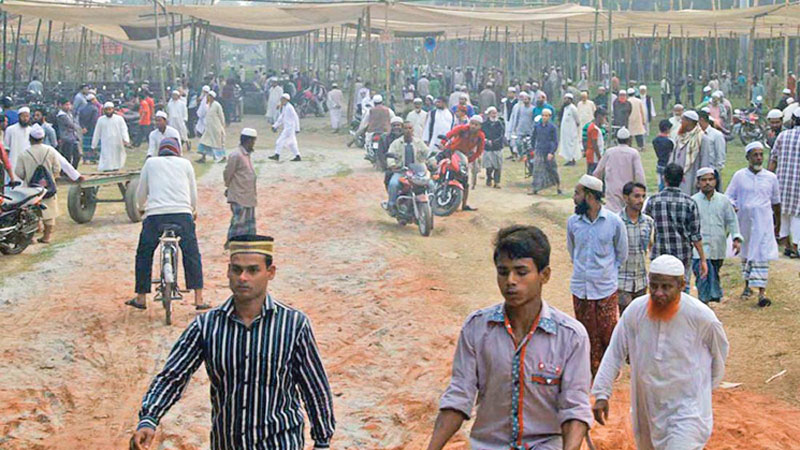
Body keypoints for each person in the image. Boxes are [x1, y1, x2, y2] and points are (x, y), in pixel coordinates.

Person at [130, 235, 335, 450]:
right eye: (237, 270)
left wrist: (322, 441)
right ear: (228, 271)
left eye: (253, 270)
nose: (243, 277)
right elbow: (172, 376)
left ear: (270, 272)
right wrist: (149, 418)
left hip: (280, 443)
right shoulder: (206, 326)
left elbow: (315, 388)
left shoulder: (293, 325)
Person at [427, 225, 592, 450]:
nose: (510, 281)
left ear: (545, 275)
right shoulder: (476, 328)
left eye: (521, 272)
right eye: (503, 272)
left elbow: (575, 409)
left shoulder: (571, 336)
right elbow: (459, 395)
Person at [591, 255, 729, 450]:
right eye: (653, 286)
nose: (658, 293)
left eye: (666, 287)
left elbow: (719, 352)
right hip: (648, 408)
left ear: (681, 285)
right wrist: (601, 393)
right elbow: (615, 351)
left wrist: (705, 388)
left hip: (688, 411)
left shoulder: (701, 317)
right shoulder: (636, 311)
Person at [126, 136, 205, 310]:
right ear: (177, 151)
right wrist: (193, 209)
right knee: (192, 253)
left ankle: (141, 297)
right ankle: (199, 299)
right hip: (182, 215)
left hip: (155, 216)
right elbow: (193, 193)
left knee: (144, 253)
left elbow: (141, 191)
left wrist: (141, 208)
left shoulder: (151, 163)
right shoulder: (186, 164)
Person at [567, 174, 628, 375]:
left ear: (590, 196)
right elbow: (573, 251)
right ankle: (591, 371)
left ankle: (610, 370)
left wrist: (606, 272)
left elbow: (621, 253)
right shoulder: (573, 222)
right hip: (580, 287)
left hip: (605, 287)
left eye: (578, 193)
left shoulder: (614, 222)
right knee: (585, 331)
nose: (574, 198)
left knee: (608, 330)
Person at [725, 141, 781, 307]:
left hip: (764, 223)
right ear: (747, 157)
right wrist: (733, 206)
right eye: (754, 155)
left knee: (762, 255)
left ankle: (762, 294)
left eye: (760, 155)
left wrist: (778, 224)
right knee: (747, 254)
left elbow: (776, 202)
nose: (758, 158)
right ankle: (747, 286)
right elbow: (729, 196)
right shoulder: (739, 176)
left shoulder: (771, 178)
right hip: (744, 223)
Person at [645, 163, 709, 290]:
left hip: (660, 255)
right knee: (681, 290)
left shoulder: (653, 201)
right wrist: (703, 259)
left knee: (660, 289)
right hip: (683, 255)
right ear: (682, 179)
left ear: (665, 178)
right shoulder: (689, 203)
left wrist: (650, 246)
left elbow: (647, 229)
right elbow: (695, 235)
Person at [692, 168, 742, 303]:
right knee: (702, 277)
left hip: (718, 248)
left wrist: (736, 238)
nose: (707, 183)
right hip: (698, 251)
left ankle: (708, 302)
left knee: (714, 275)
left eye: (710, 179)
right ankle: (704, 304)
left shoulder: (723, 200)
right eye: (704, 180)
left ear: (715, 181)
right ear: (698, 183)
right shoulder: (692, 202)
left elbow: (732, 220)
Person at [14, 124, 60, 243]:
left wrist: (28, 178)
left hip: (30, 188)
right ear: (43, 138)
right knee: (49, 211)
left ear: (30, 138)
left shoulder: (24, 154)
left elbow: (18, 172)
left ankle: (32, 238)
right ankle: (47, 236)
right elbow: (57, 168)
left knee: (31, 212)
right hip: (48, 188)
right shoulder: (50, 151)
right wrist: (51, 179)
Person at [617, 182, 654, 314]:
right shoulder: (616, 221)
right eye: (636, 196)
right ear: (626, 198)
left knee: (641, 318)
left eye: (643, 196)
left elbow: (649, 246)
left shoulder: (648, 222)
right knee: (626, 318)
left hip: (641, 280)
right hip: (622, 280)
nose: (641, 200)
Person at [592, 127, 646, 213]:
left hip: (612, 189)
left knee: (612, 213)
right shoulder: (633, 153)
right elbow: (639, 174)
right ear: (629, 140)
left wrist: (596, 190)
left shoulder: (609, 152)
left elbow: (597, 172)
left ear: (617, 140)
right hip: (629, 190)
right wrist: (642, 189)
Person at [770, 108, 800, 259]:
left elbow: (773, 159)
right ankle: (795, 247)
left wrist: (768, 178)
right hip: (798, 185)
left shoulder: (782, 136)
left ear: (793, 121)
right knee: (797, 215)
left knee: (784, 213)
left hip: (782, 182)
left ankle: (787, 245)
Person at [384, 121, 431, 215]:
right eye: (406, 128)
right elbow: (390, 156)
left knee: (432, 185)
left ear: (413, 130)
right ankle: (392, 205)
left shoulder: (418, 142)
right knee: (393, 184)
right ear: (402, 130)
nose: (408, 130)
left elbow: (427, 153)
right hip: (401, 171)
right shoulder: (396, 143)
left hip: (417, 172)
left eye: (410, 128)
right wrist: (392, 165)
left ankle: (432, 205)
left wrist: (432, 161)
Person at [224, 128, 259, 247]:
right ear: (248, 141)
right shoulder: (236, 155)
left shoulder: (246, 155)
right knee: (238, 222)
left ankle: (247, 243)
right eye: (253, 141)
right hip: (238, 195)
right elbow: (228, 174)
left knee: (248, 222)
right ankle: (231, 243)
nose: (253, 144)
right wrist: (229, 187)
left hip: (248, 195)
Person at [444, 116, 485, 211]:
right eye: (472, 123)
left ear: (480, 126)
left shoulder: (480, 136)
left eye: (476, 125)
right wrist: (443, 143)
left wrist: (470, 159)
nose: (473, 126)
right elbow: (450, 134)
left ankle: (464, 204)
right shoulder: (462, 129)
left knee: (465, 180)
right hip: (453, 152)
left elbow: (479, 151)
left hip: (464, 157)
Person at [671, 110, 711, 195]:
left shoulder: (702, 138)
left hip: (692, 175)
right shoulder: (680, 136)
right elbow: (674, 155)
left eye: (683, 120)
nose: (681, 122)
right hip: (677, 175)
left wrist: (702, 178)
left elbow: (705, 159)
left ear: (690, 122)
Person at [91, 102, 131, 172]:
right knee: (106, 160)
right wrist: (94, 145)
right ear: (104, 110)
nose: (108, 111)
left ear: (113, 109)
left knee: (117, 159)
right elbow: (97, 133)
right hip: (106, 143)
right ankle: (106, 172)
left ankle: (116, 171)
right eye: (106, 109)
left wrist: (126, 140)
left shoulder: (119, 119)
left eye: (110, 109)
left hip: (117, 142)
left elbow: (124, 130)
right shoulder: (101, 120)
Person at [530, 109, 561, 195]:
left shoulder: (552, 128)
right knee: (537, 170)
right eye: (543, 115)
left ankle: (558, 187)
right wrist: (533, 148)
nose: (544, 117)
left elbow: (555, 141)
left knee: (552, 169)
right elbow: (533, 137)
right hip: (539, 150)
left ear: (549, 117)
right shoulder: (537, 126)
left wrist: (551, 152)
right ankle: (535, 188)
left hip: (548, 151)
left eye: (546, 116)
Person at [197, 90, 226, 163]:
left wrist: (223, 125)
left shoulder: (217, 105)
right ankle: (203, 157)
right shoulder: (208, 105)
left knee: (217, 143)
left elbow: (221, 115)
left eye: (209, 97)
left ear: (212, 97)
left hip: (216, 128)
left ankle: (221, 157)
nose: (208, 98)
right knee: (204, 141)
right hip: (208, 128)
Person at [3, 106, 31, 180]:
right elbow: (6, 148)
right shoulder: (10, 130)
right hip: (13, 162)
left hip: (27, 163)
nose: (25, 119)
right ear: (19, 117)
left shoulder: (31, 131)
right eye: (23, 116)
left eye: (27, 116)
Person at [482, 107, 504, 188]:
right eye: (492, 113)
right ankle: (489, 178)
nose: (494, 115)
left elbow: (501, 135)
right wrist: (486, 141)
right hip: (488, 147)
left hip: (497, 147)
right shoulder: (484, 124)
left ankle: (497, 181)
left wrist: (494, 142)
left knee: (498, 166)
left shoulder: (500, 123)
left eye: (495, 113)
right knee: (489, 166)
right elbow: (482, 134)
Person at [55, 99, 81, 168]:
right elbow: (71, 124)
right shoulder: (61, 116)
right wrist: (78, 128)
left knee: (77, 156)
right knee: (67, 157)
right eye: (66, 105)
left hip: (73, 137)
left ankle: (73, 171)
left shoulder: (69, 114)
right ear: (61, 105)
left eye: (69, 104)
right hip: (66, 138)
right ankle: (66, 172)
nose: (68, 107)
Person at [508, 92, 535, 160]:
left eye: (526, 99)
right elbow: (517, 117)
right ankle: (521, 155)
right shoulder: (520, 108)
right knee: (518, 143)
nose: (525, 101)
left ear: (529, 100)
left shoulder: (533, 108)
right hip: (520, 128)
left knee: (528, 144)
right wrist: (515, 127)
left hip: (529, 128)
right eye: (524, 99)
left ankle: (528, 156)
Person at [558, 93, 581, 166]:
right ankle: (568, 159)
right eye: (564, 99)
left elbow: (577, 120)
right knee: (566, 145)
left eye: (567, 99)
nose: (565, 100)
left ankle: (572, 159)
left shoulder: (573, 108)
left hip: (571, 131)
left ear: (570, 100)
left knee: (572, 145)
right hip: (565, 132)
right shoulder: (565, 108)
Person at [653, 119, 675, 192]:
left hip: (660, 163)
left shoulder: (655, 140)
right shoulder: (670, 141)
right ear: (667, 129)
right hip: (668, 164)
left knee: (661, 185)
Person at [78, 93, 100, 163]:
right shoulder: (95, 109)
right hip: (92, 129)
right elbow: (94, 121)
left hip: (85, 130)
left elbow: (80, 119)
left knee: (85, 144)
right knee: (93, 144)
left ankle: (85, 159)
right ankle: (93, 158)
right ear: (92, 100)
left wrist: (83, 127)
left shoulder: (82, 109)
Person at [583, 108, 606, 175]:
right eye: (603, 117)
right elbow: (594, 144)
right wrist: (599, 157)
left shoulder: (596, 127)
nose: (604, 119)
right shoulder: (594, 129)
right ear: (599, 116)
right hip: (593, 156)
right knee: (593, 173)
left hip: (594, 155)